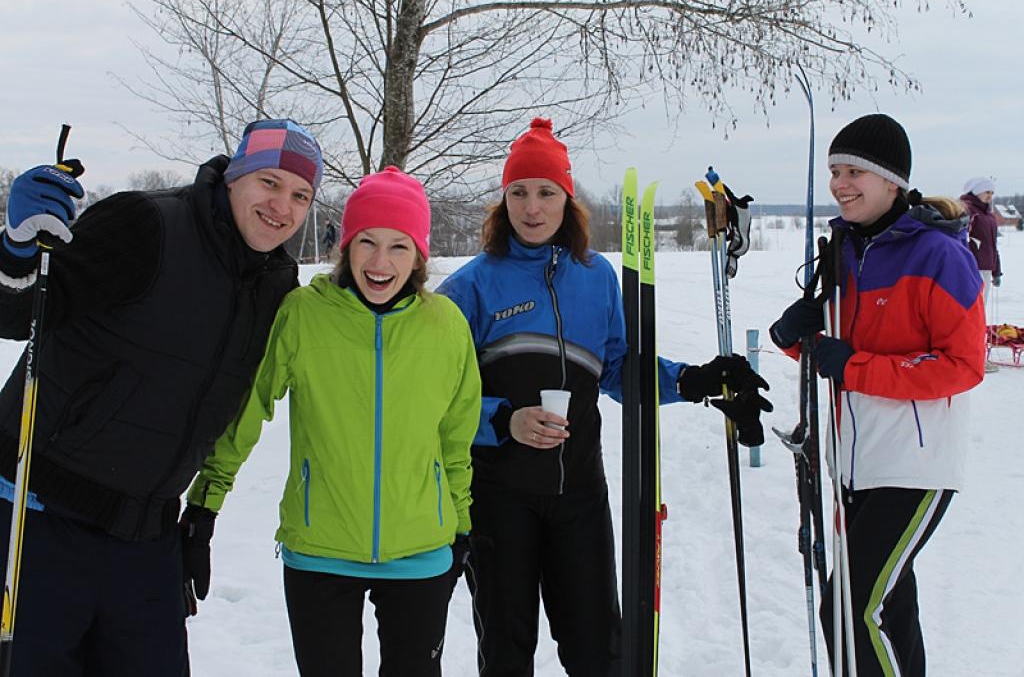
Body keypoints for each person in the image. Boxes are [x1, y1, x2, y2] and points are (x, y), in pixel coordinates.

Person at [437, 117, 771, 676]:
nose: (532, 207)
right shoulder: (471, 287)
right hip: (498, 497)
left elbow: (618, 368)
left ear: (568, 200)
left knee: (599, 652)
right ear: (504, 200)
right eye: (518, 193)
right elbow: (436, 395)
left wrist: (695, 381)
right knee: (505, 653)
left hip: (579, 496)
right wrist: (502, 421)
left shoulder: (596, 279)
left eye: (546, 192)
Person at [0, 118, 321, 676]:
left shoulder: (276, 285)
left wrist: (198, 517)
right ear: (233, 177)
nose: (282, 206)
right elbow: (17, 310)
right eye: (269, 183)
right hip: (41, 515)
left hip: (146, 536)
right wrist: (17, 247)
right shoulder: (146, 224)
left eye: (300, 195)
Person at [185, 166, 481, 677]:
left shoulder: (446, 325)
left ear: (419, 257)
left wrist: (460, 524)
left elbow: (456, 437)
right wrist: (205, 505)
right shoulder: (302, 313)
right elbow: (247, 412)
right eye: (366, 242)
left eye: (398, 246)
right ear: (345, 246)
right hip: (319, 553)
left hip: (420, 552)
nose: (380, 262)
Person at [770, 113, 985, 676]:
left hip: (916, 465)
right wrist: (800, 340)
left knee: (850, 607)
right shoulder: (842, 252)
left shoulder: (940, 256)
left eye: (855, 172)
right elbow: (843, 353)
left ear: (892, 180)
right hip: (854, 463)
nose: (841, 183)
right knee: (891, 610)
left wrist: (855, 366)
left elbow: (962, 365)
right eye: (835, 171)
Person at [961, 177, 1002, 306]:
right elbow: (960, 240)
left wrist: (996, 272)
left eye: (991, 193)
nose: (990, 196)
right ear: (976, 192)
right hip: (971, 268)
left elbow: (992, 245)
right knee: (970, 306)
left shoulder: (989, 216)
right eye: (986, 192)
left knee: (981, 306)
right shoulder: (967, 211)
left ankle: (978, 327)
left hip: (986, 269)